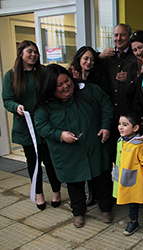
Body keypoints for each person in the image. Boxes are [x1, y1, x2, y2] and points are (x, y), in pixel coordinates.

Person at [34, 64, 114, 228]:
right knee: (74, 185)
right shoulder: (45, 105)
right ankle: (78, 212)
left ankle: (106, 208)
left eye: (67, 81)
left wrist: (106, 126)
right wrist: (59, 135)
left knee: (103, 179)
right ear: (50, 89)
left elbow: (106, 104)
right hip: (67, 152)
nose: (65, 87)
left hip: (94, 144)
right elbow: (41, 125)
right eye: (59, 85)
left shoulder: (89, 90)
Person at [2, 40, 61, 211]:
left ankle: (56, 190)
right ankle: (39, 193)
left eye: (35, 52)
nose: (33, 55)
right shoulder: (11, 75)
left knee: (50, 161)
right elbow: (7, 100)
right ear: (21, 53)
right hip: (25, 127)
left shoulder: (43, 72)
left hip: (45, 125)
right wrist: (16, 107)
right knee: (33, 162)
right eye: (30, 51)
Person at [69, 45, 112, 206]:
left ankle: (103, 198)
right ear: (78, 59)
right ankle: (91, 195)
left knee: (99, 165)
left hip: (97, 123)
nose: (89, 62)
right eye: (85, 59)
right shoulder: (70, 76)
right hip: (78, 126)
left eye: (92, 59)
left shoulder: (99, 75)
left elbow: (103, 98)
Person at [113, 111, 143, 241]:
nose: (120, 127)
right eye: (120, 124)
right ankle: (133, 221)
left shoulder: (140, 145)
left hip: (138, 182)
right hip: (125, 180)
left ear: (135, 128)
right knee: (130, 201)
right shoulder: (121, 140)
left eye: (125, 125)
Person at [100, 23, 139, 161]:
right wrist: (99, 56)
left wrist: (130, 77)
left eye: (122, 35)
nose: (119, 38)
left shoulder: (135, 55)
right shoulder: (107, 56)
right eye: (116, 35)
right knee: (113, 154)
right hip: (111, 115)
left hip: (129, 114)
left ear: (128, 36)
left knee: (130, 156)